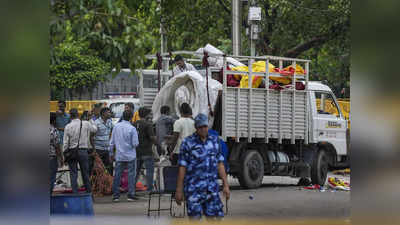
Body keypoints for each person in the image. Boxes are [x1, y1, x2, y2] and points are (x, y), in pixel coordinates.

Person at [176, 113, 230, 219]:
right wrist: (179, 190)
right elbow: (182, 167)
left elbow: (220, 164)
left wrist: (226, 185)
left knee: (216, 219)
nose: (203, 129)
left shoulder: (215, 141)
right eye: (200, 127)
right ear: (196, 128)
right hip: (194, 190)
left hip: (212, 190)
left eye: (205, 126)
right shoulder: (187, 143)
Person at [63, 108, 97, 193]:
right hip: (83, 151)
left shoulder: (68, 126)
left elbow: (65, 143)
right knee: (85, 173)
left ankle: (75, 193)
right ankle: (88, 193)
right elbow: (95, 129)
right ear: (78, 115)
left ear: (70, 116)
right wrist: (90, 120)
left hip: (71, 152)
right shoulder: (85, 123)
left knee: (73, 173)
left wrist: (65, 155)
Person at [110, 110, 139, 202]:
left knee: (117, 175)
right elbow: (135, 143)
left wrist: (111, 153)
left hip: (119, 155)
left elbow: (111, 142)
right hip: (130, 155)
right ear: (131, 118)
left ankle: (116, 195)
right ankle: (130, 194)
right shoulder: (132, 128)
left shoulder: (116, 127)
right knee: (131, 175)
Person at [134, 107, 159, 193]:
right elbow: (152, 137)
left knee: (136, 171)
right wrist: (158, 144)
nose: (151, 115)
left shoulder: (134, 123)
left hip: (137, 151)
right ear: (146, 114)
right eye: (150, 114)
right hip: (147, 152)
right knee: (149, 171)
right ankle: (149, 189)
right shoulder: (148, 124)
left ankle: (132, 188)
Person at [92, 107, 114, 175]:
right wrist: (94, 150)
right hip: (98, 149)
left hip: (107, 149)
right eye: (108, 112)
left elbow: (112, 131)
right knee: (98, 168)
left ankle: (109, 183)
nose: (110, 114)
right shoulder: (96, 123)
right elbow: (92, 136)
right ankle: (98, 184)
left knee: (109, 167)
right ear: (103, 114)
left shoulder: (109, 122)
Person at [50, 112, 63, 194]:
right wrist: (61, 158)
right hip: (51, 158)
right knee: (51, 178)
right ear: (54, 121)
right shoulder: (54, 131)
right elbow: (57, 147)